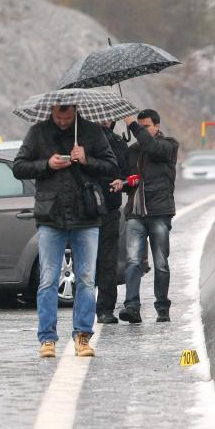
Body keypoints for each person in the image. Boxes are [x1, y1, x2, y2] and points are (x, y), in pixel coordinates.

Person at [13, 105, 118, 358]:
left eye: (67, 117)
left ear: (76, 112)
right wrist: (47, 165)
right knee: (48, 280)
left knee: (86, 279)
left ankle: (83, 336)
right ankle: (47, 339)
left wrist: (85, 159)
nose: (62, 122)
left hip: (86, 216)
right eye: (58, 117)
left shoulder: (92, 132)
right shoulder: (37, 132)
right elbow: (19, 167)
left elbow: (112, 166)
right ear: (51, 111)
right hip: (50, 216)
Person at [110, 109, 179, 324]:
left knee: (160, 263)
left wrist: (132, 125)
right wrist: (121, 183)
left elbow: (152, 147)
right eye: (140, 126)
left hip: (160, 211)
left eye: (146, 126)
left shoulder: (168, 145)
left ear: (157, 126)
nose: (143, 130)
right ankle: (132, 307)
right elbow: (131, 179)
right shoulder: (133, 151)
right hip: (135, 212)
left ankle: (162, 307)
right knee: (132, 262)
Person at [96, 122, 129, 324]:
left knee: (108, 260)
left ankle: (105, 308)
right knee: (88, 261)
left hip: (108, 209)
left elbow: (125, 173)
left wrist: (121, 182)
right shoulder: (79, 140)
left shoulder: (118, 142)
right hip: (84, 211)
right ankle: (94, 309)